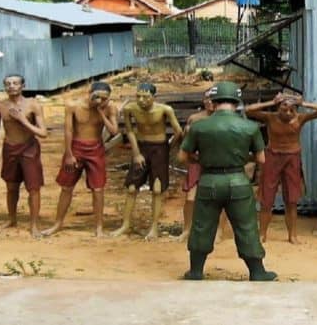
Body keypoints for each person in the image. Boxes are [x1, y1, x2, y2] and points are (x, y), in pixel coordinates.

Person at [179, 81, 277, 281]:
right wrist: (240, 158)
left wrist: (200, 159)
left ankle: (196, 271)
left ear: (213, 102)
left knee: (201, 226)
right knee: (247, 226)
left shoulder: (199, 126)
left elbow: (183, 157)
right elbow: (261, 159)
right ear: (236, 101)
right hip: (238, 181)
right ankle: (257, 271)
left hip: (209, 181)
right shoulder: (250, 127)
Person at [246, 92, 317, 244]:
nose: (287, 112)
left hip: (292, 158)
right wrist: (271, 101)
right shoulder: (270, 118)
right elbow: (249, 110)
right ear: (278, 108)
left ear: (296, 110)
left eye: (291, 109)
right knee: (266, 199)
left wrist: (304, 103)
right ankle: (262, 234)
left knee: (291, 200)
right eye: (284, 108)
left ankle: (292, 235)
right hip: (272, 157)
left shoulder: (300, 118)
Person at [42, 82, 119, 237]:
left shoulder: (110, 108)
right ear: (88, 92)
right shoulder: (73, 106)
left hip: (96, 149)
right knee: (66, 187)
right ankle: (58, 223)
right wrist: (69, 154)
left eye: (105, 99)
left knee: (98, 189)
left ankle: (99, 227)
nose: (100, 101)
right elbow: (68, 130)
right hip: (76, 148)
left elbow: (114, 131)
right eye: (97, 97)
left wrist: (101, 112)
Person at [112, 83, 183, 239]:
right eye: (138, 96)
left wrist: (168, 147)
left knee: (157, 189)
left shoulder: (165, 110)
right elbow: (129, 130)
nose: (141, 100)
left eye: (146, 97)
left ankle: (154, 227)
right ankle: (125, 224)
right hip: (142, 147)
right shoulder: (130, 109)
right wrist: (136, 153)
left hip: (160, 147)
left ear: (153, 97)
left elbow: (178, 131)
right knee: (131, 187)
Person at [0, 74, 48, 238]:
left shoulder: (33, 105)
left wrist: (23, 120)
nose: (11, 86)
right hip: (10, 148)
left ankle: (34, 224)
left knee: (34, 188)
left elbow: (43, 133)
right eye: (8, 84)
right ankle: (12, 219)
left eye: (15, 83)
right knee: (11, 187)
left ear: (23, 86)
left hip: (29, 148)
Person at [177, 90, 214, 242]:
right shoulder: (195, 119)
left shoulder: (224, 119)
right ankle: (187, 228)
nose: (210, 102)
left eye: (213, 99)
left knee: (220, 198)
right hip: (197, 162)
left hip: (216, 163)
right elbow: (186, 144)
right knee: (191, 198)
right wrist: (190, 156)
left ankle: (218, 230)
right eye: (207, 99)